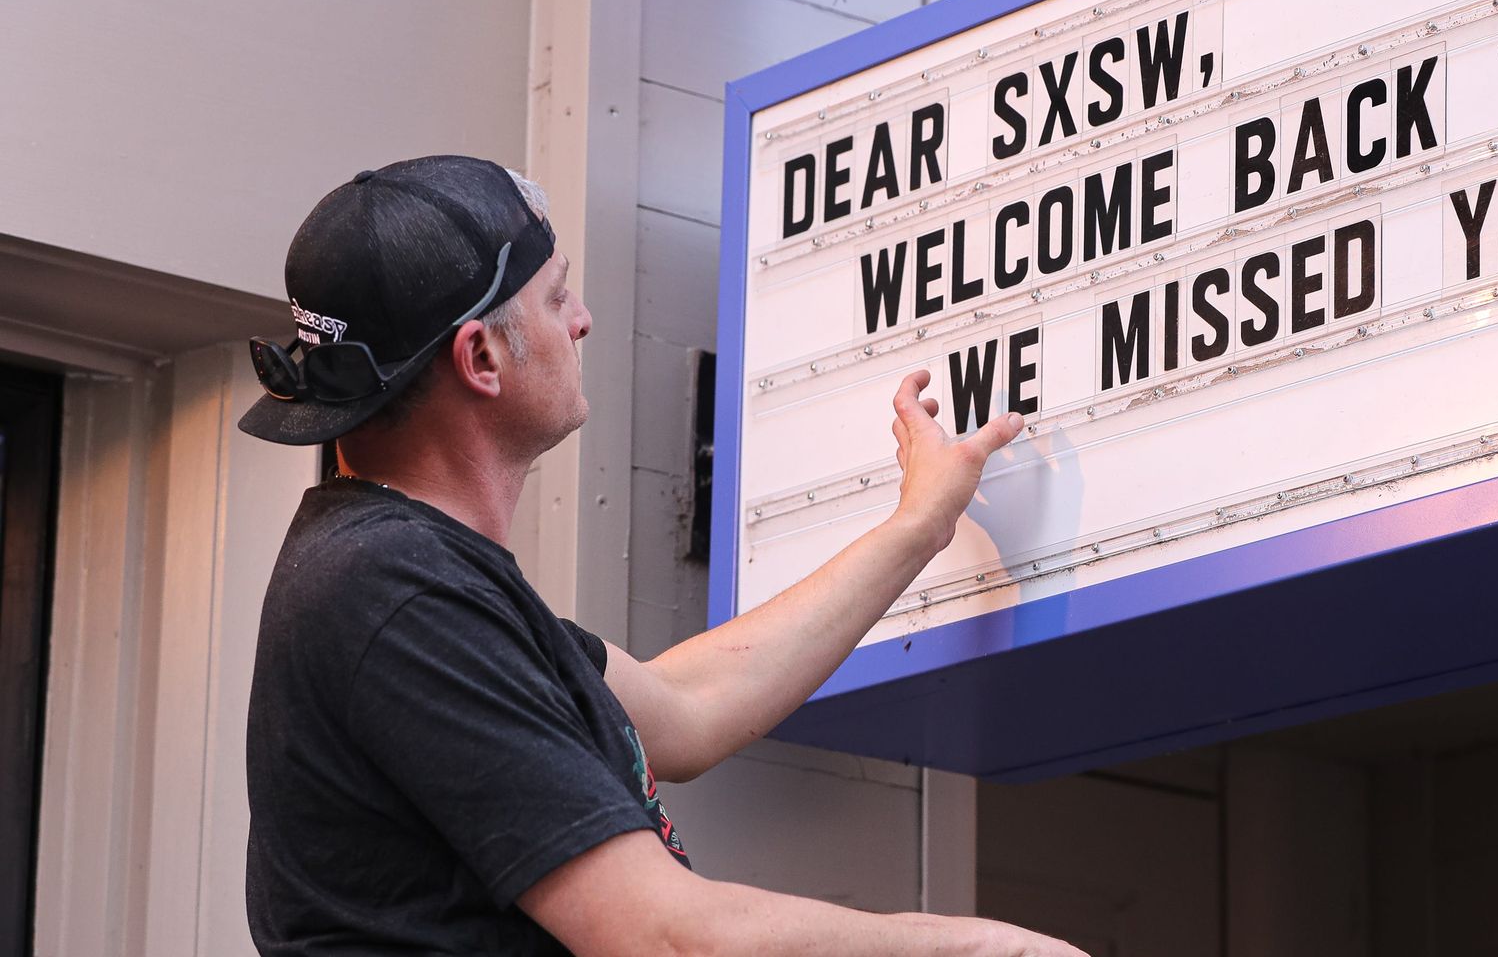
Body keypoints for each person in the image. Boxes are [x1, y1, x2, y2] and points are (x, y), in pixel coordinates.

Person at [239, 156, 1085, 956]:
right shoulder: (394, 594)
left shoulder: (411, 575)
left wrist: (919, 524)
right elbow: (666, 937)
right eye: (557, 296)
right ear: (482, 357)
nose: (583, 320)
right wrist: (985, 945)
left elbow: (689, 706)